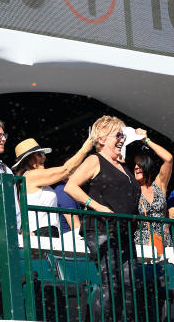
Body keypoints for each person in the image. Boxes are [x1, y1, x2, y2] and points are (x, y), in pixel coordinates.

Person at [65, 115, 140, 321]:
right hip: (101, 230)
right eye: (117, 134)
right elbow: (70, 186)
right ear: (101, 139)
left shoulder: (123, 167)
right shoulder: (94, 160)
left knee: (128, 284)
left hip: (124, 233)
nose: (122, 139)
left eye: (123, 135)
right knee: (111, 282)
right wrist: (97, 207)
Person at [11, 136, 93, 237]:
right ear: (28, 159)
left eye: (43, 154)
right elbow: (65, 170)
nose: (44, 157)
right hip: (41, 232)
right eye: (39, 154)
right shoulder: (31, 175)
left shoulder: (28, 178)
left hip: (46, 232)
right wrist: (85, 149)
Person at [129, 131, 173, 247]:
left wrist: (146, 140)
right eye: (135, 165)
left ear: (147, 165)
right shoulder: (132, 189)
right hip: (142, 246)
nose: (136, 167)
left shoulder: (159, 185)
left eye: (139, 164)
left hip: (164, 243)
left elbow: (168, 158)